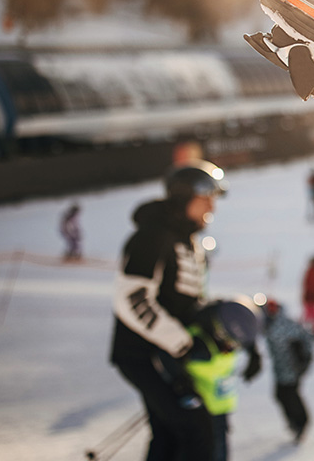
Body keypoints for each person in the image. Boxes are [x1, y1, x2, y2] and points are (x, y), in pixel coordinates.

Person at [108, 160, 227, 461]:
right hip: (143, 353)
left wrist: (215, 325)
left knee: (169, 434)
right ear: (184, 197)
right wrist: (182, 343)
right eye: (206, 198)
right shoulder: (152, 237)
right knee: (194, 429)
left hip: (167, 354)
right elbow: (133, 299)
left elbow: (187, 300)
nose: (212, 206)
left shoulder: (187, 241)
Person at [184, 298, 263, 461]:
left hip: (220, 408)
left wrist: (254, 353)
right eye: (230, 341)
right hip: (201, 412)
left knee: (219, 449)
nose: (232, 347)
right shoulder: (200, 346)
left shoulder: (226, 338)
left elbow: (244, 325)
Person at [260, 298, 314, 443]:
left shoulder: (279, 326)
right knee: (281, 395)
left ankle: (301, 422)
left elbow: (304, 338)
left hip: (291, 369)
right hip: (283, 368)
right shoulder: (276, 323)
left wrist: (303, 360)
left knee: (288, 395)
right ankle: (296, 422)